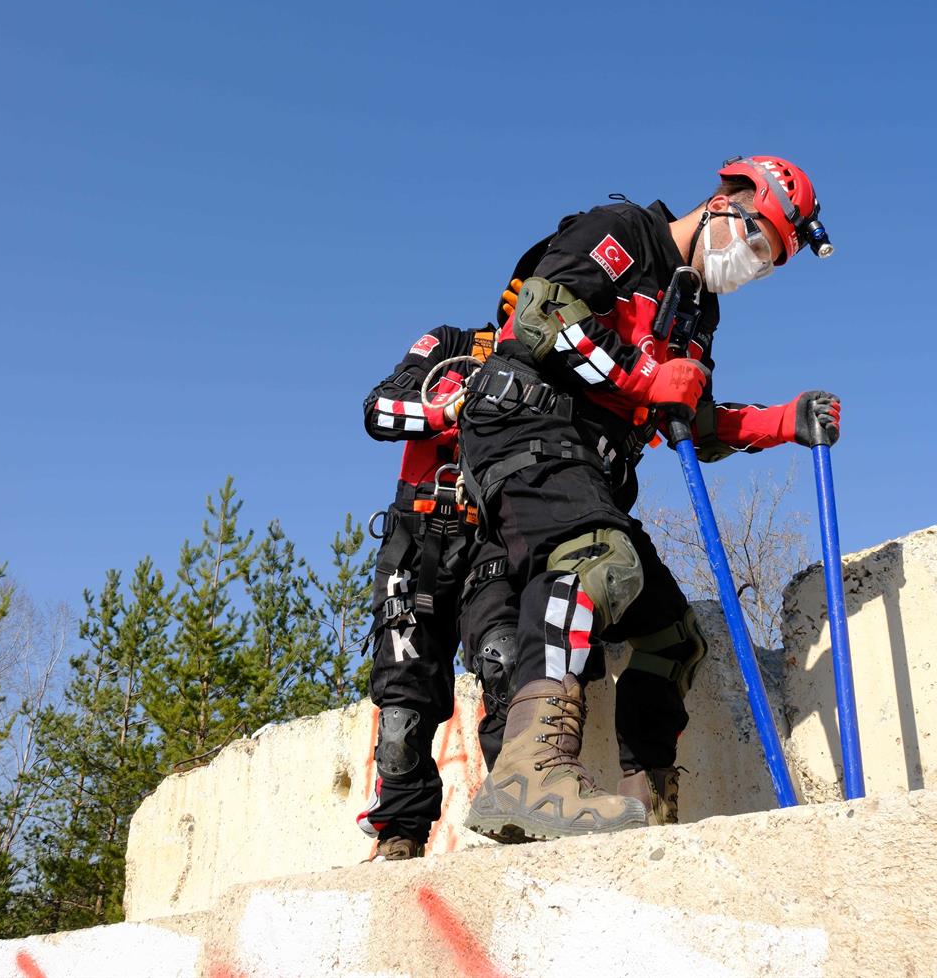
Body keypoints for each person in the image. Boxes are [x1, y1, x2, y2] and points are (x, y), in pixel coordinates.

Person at [457, 155, 842, 842]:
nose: (752, 263)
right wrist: (643, 377)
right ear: (726, 200)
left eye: (769, 260)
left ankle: (645, 811)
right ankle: (529, 773)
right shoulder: (625, 231)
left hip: (589, 466)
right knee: (600, 557)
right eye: (756, 240)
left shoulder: (699, 309)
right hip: (525, 425)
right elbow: (545, 316)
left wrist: (783, 421)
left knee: (671, 636)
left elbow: (687, 418)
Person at [355, 323, 524, 860]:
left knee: (505, 657)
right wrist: (447, 409)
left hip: (493, 537)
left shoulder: (558, 366)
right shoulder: (452, 345)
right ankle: (399, 834)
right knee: (401, 714)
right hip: (416, 537)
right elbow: (379, 408)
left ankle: (519, 807)